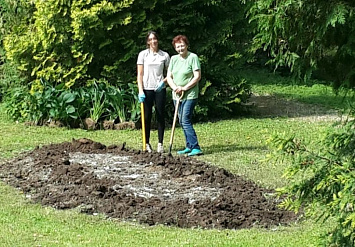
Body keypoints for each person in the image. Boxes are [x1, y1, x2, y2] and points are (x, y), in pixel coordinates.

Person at [166, 35, 203, 156]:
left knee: (185, 120)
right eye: (178, 46)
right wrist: (175, 87)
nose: (180, 48)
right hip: (176, 94)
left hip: (190, 94)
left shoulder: (193, 57)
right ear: (175, 47)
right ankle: (189, 146)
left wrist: (184, 88)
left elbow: (197, 76)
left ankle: (196, 147)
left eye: (182, 45)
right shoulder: (173, 59)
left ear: (186, 45)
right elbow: (169, 77)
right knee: (181, 121)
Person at [137, 31, 170, 153]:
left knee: (160, 115)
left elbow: (170, 73)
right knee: (147, 116)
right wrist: (141, 90)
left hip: (159, 89)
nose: (153, 41)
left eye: (155, 39)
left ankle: (160, 143)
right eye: (150, 39)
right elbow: (140, 74)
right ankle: (146, 143)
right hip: (147, 89)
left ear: (158, 40)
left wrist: (164, 82)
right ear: (147, 42)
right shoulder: (143, 55)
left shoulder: (164, 56)